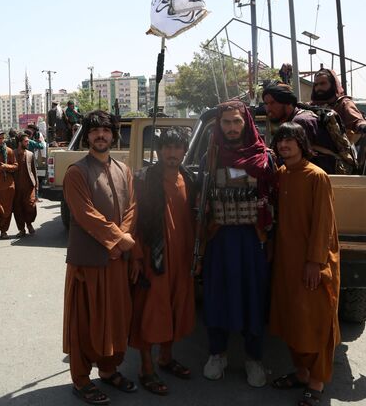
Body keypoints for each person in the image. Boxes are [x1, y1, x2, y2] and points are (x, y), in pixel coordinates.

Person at [62, 110, 138, 404]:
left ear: (113, 134)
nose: (101, 136)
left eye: (105, 131)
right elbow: (85, 215)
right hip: (88, 262)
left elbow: (132, 208)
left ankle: (109, 370)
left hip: (116, 260)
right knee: (84, 322)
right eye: (95, 132)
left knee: (117, 318)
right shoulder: (76, 172)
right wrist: (119, 240)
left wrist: (122, 241)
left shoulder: (123, 170)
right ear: (87, 137)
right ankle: (81, 380)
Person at [200, 101, 276, 387]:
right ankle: (217, 354)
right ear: (219, 125)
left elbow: (273, 198)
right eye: (226, 123)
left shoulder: (264, 157)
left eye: (236, 122)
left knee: (253, 297)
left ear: (246, 124)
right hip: (219, 239)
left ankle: (254, 358)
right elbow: (203, 198)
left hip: (252, 240)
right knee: (217, 295)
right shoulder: (212, 156)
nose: (231, 128)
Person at [269, 122, 340, 406]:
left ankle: (316, 382)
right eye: (280, 141)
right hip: (287, 261)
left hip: (314, 262)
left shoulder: (317, 176)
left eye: (290, 141)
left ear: (301, 143)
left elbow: (324, 225)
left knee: (316, 322)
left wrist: (315, 262)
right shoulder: (282, 174)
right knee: (292, 320)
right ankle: (300, 373)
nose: (284, 146)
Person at [129, 127, 196, 395]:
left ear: (184, 151)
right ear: (159, 151)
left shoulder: (188, 178)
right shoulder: (144, 179)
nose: (171, 153)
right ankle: (146, 368)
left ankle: (166, 358)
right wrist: (134, 256)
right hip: (152, 256)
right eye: (166, 148)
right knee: (150, 312)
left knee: (175, 308)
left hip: (182, 257)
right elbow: (131, 218)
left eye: (177, 148)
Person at [262, 82, 346, 174]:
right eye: (266, 104)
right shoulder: (298, 117)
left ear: (287, 103)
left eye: (272, 103)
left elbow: (289, 158)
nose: (268, 108)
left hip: (321, 179)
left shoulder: (300, 122)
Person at [310, 69, 366, 142]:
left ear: (333, 84)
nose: (318, 87)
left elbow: (356, 120)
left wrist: (361, 125)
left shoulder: (343, 103)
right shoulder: (311, 106)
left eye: (323, 83)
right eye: (316, 84)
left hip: (338, 149)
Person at [13, 132, 38, 236]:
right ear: (19, 143)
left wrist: (36, 186)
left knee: (31, 206)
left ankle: (29, 223)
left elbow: (34, 171)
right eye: (26, 141)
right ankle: (22, 229)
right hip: (16, 187)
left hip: (29, 186)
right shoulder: (12, 154)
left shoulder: (30, 154)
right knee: (18, 208)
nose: (28, 143)